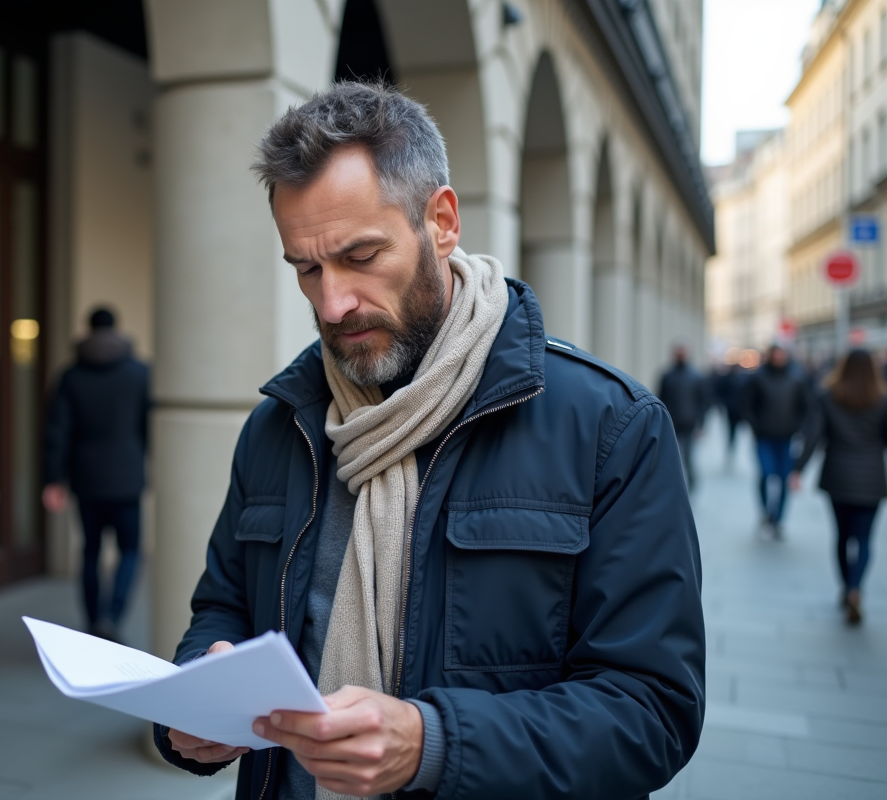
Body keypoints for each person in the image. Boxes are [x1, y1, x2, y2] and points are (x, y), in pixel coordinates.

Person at [154, 82, 704, 800]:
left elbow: (651, 711)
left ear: (441, 222)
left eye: (359, 256)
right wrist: (200, 697)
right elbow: (223, 604)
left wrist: (435, 743)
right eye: (307, 269)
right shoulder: (279, 424)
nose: (332, 302)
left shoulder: (610, 427)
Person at [43, 307, 151, 641]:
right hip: (127, 475)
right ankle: (113, 616)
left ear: (87, 330)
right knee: (130, 549)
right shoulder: (140, 372)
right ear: (116, 328)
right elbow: (149, 427)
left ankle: (93, 620)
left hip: (86, 478)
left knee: (90, 550)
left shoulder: (70, 375)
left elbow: (57, 431)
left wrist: (53, 478)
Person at [791, 349, 887, 625]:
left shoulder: (829, 396)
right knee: (865, 539)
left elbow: (813, 435)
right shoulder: (881, 399)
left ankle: (846, 586)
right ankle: (856, 588)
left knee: (843, 537)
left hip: (838, 477)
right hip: (871, 479)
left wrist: (797, 469)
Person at [743, 344, 812, 539]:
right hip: (764, 437)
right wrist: (756, 426)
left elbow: (806, 407)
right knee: (765, 474)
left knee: (783, 478)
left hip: (786, 438)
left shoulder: (796, 378)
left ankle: (778, 518)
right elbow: (747, 405)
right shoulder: (758, 378)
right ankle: (765, 512)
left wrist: (798, 427)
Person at [659, 344, 708, 490]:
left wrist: (701, 424)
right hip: (671, 423)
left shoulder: (696, 376)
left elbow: (703, 402)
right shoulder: (667, 376)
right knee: (672, 456)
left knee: (688, 456)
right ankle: (674, 485)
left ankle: (691, 484)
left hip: (690, 424)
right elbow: (660, 399)